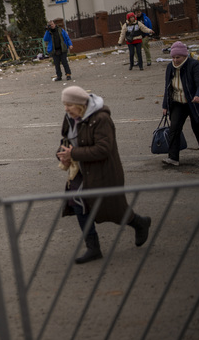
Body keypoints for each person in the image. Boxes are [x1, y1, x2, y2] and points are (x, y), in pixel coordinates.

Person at [56, 86, 152, 264]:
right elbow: (65, 142)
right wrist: (62, 155)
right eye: (64, 104)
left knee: (114, 210)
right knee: (79, 205)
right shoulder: (70, 118)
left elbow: (103, 149)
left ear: (80, 104)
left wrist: (74, 154)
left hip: (103, 172)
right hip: (79, 172)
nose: (66, 109)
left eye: (69, 104)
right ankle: (93, 248)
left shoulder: (101, 119)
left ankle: (139, 222)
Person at [161, 41, 199, 166]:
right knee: (174, 129)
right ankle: (173, 158)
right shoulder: (170, 67)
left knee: (197, 127)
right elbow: (167, 87)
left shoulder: (193, 65)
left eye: (178, 57)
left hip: (193, 102)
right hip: (178, 102)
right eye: (173, 57)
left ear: (185, 56)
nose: (175, 60)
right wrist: (165, 106)